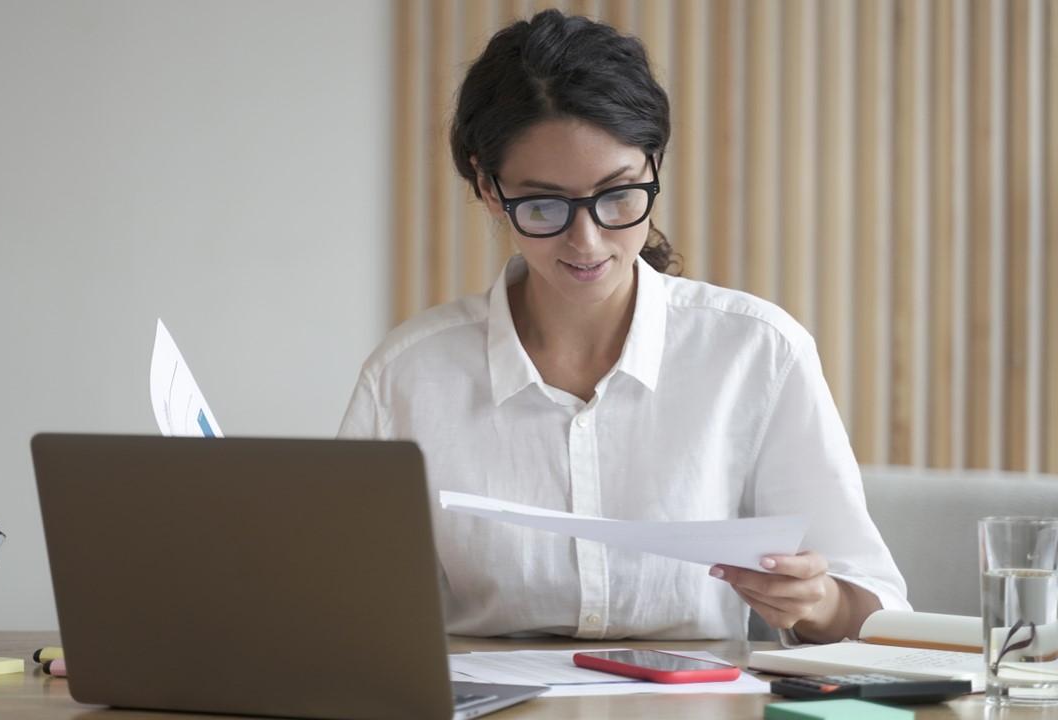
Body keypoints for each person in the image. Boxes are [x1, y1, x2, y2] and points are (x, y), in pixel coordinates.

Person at [339, 10, 908, 643]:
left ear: (653, 164)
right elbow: (345, 608)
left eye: (617, 196)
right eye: (544, 205)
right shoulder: (410, 375)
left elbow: (879, 614)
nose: (587, 241)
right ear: (489, 187)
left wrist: (817, 601)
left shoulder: (756, 353)